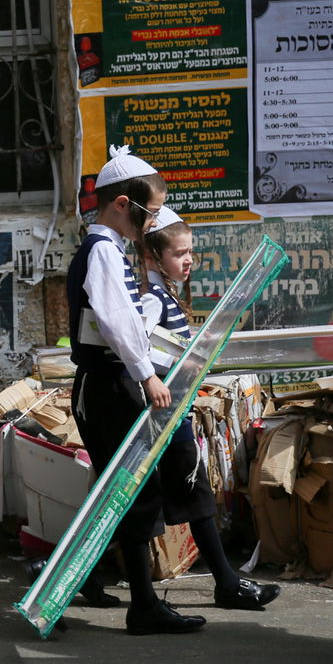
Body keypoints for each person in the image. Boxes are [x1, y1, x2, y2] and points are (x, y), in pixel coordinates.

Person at [136, 206, 281, 616]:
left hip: (172, 414)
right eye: (179, 253)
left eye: (190, 252)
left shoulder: (163, 296)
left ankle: (226, 581)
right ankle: (227, 583)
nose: (188, 261)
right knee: (192, 497)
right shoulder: (152, 300)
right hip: (164, 417)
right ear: (152, 257)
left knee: (155, 502)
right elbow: (137, 349)